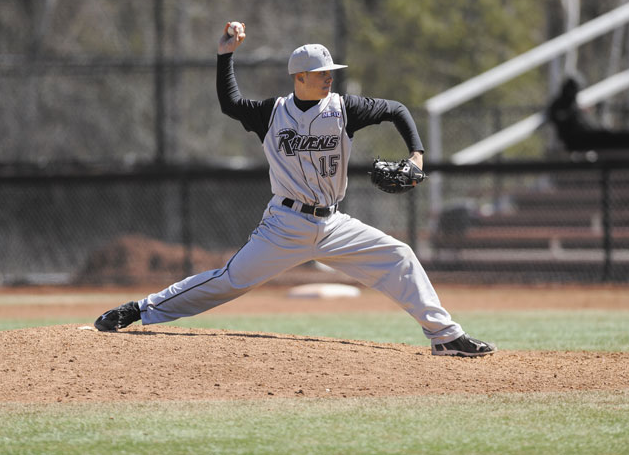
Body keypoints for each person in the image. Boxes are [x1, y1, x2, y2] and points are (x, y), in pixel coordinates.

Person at [94, 21, 496, 357]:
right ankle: (138, 310)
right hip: (285, 224)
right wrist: (225, 55)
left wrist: (416, 155)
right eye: (322, 73)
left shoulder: (343, 108)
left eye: (330, 72)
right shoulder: (272, 113)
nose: (329, 77)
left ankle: (445, 338)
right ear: (299, 77)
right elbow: (230, 103)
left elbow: (397, 110)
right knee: (229, 280)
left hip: (334, 224)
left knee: (399, 256)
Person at [547, 76, 629, 152]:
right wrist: (573, 111)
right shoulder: (559, 105)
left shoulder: (571, 104)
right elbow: (558, 118)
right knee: (608, 137)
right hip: (577, 142)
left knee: (608, 135)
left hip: (585, 137)